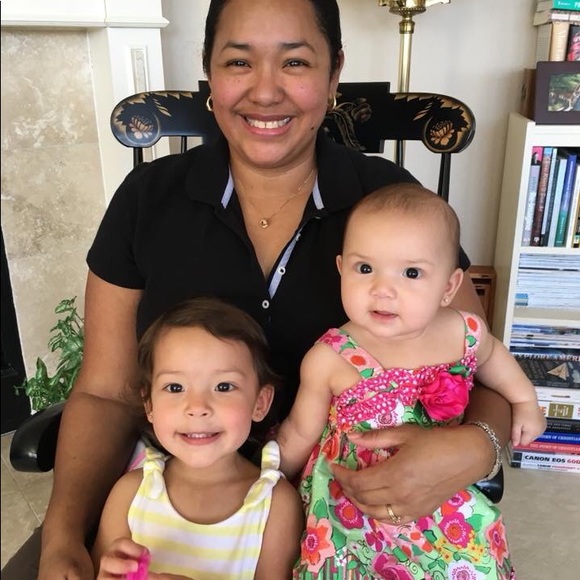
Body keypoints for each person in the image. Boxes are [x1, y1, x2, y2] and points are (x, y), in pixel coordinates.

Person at [2, 1, 512, 578]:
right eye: (239, 62)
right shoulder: (147, 199)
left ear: (334, 73)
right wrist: (63, 535)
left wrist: (477, 446)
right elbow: (106, 392)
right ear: (209, 72)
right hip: (180, 514)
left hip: (363, 525)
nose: (265, 92)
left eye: (295, 62)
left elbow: (480, 364)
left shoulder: (392, 205)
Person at [277, 184, 546, 579]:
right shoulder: (331, 356)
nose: (383, 290)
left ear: (449, 287)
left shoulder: (463, 331)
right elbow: (301, 430)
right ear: (341, 268)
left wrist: (525, 400)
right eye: (364, 269)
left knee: (471, 561)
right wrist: (269, 472)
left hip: (442, 491)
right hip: (354, 505)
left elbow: (493, 358)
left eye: (412, 273)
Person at [92, 297, 303, 579]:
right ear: (149, 404)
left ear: (260, 402)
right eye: (175, 387)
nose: (197, 407)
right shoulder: (130, 494)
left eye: (223, 386)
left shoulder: (275, 505)